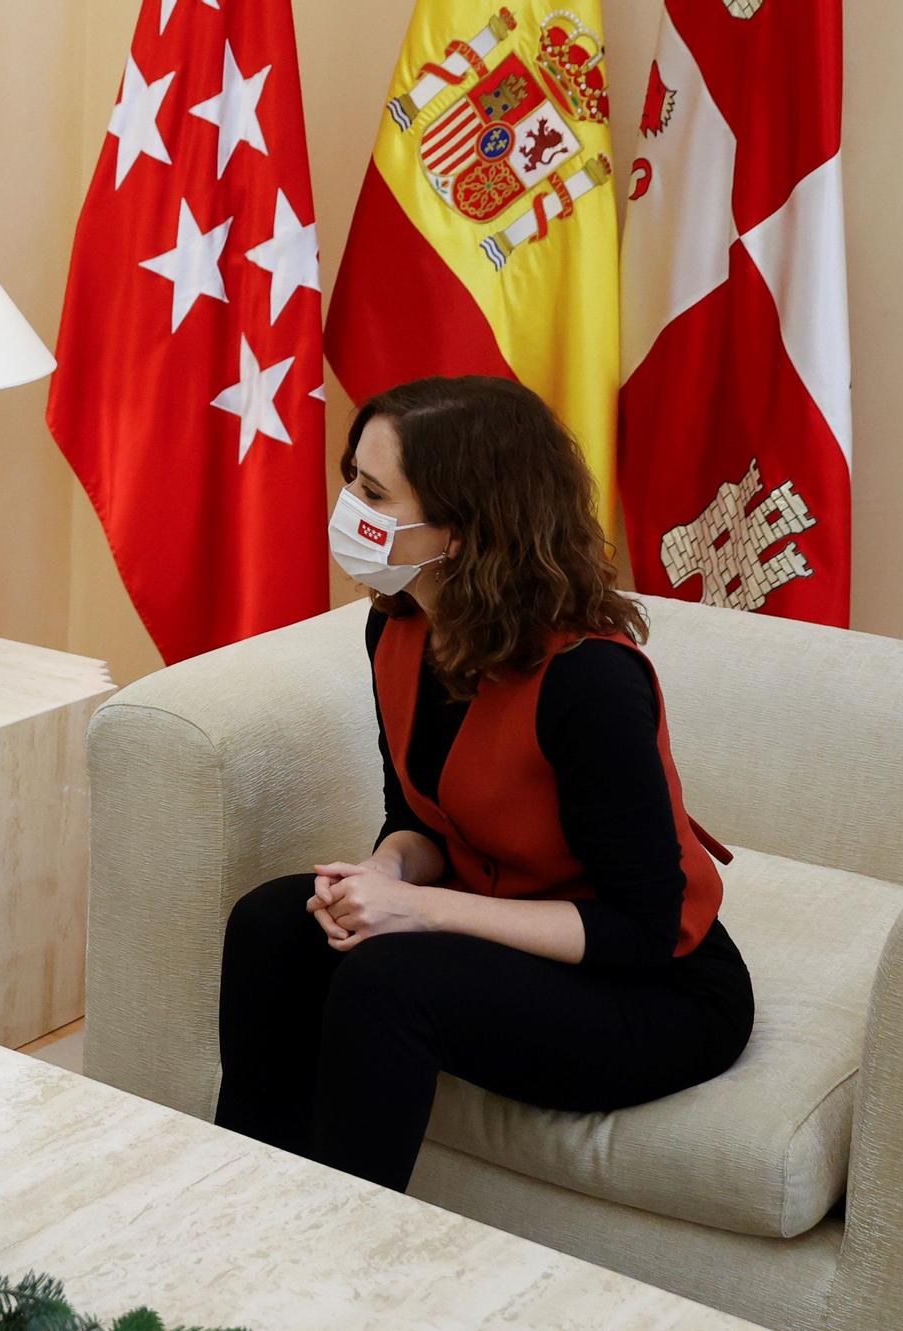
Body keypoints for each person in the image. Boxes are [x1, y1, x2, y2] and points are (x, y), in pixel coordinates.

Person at [216, 375, 753, 1193]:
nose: (347, 506)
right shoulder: (397, 623)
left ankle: (328, 1263)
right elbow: (419, 816)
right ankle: (242, 1208)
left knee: (386, 979)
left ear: (459, 531)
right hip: (504, 930)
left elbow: (641, 931)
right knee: (269, 923)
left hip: (654, 988)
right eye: (350, 478)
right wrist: (384, 875)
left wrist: (417, 911)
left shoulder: (590, 682)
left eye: (373, 491)